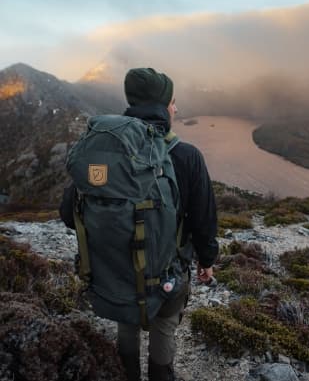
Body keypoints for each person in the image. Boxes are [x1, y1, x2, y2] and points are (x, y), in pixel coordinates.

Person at [60, 68, 218, 381]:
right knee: (164, 327)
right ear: (163, 107)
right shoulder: (186, 156)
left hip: (115, 270)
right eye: (173, 103)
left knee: (126, 322)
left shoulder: (105, 154)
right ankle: (161, 374)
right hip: (167, 274)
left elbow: (69, 213)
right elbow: (204, 219)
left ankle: (126, 372)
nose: (176, 109)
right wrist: (207, 260)